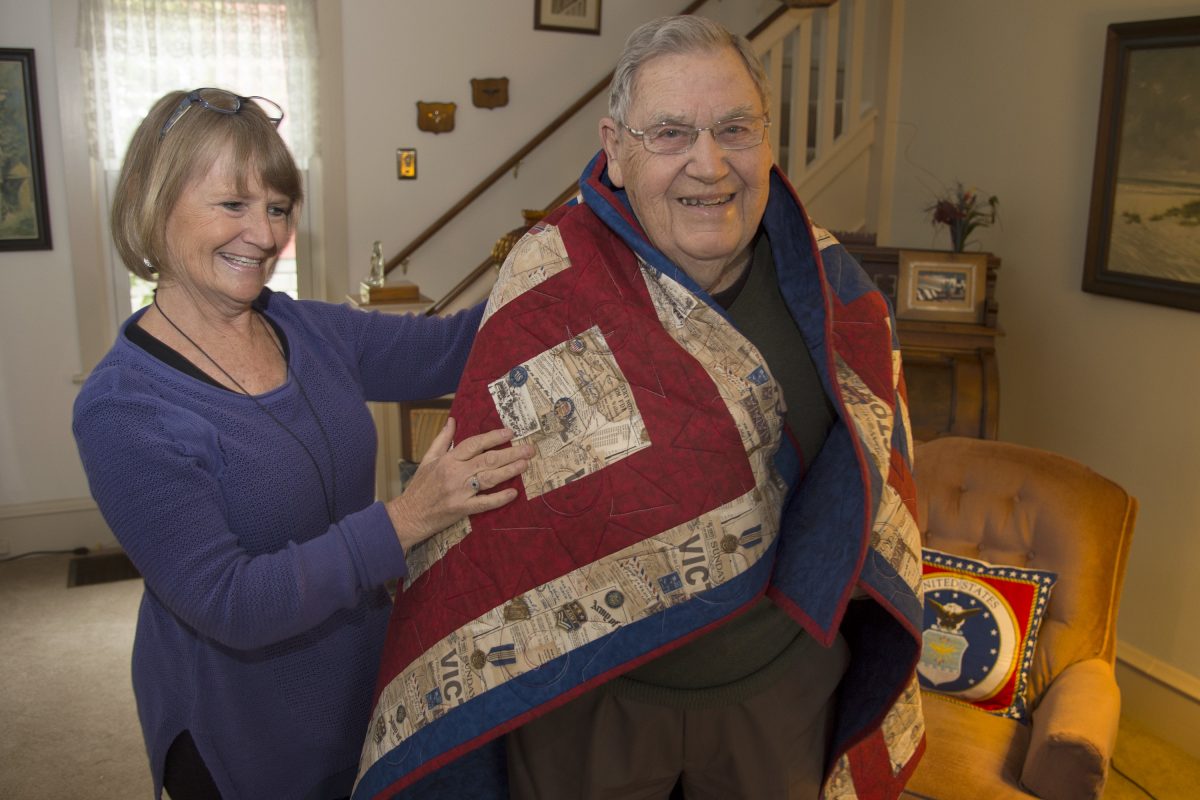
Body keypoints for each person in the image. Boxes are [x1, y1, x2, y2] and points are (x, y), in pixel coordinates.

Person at [355, 16, 924, 800]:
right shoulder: (550, 284)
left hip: (780, 696)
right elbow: (493, 527)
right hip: (592, 705)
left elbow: (871, 474)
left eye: (735, 129)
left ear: (768, 142)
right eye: (670, 133)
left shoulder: (833, 289)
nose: (710, 163)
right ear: (615, 149)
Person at [71, 88, 532, 800]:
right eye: (233, 204)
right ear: (155, 204)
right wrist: (407, 519)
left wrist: (560, 256)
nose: (263, 233)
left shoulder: (304, 328)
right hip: (242, 731)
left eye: (278, 208)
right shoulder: (122, 408)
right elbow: (231, 601)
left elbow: (451, 349)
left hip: (360, 681)